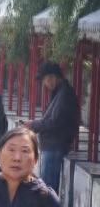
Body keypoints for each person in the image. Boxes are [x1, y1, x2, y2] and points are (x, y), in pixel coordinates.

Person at [25, 61, 80, 193]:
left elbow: (55, 122)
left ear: (52, 77)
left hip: (55, 146)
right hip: (53, 145)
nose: (45, 84)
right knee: (46, 187)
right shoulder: (60, 93)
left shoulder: (64, 94)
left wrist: (34, 125)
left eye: (45, 80)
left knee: (46, 189)